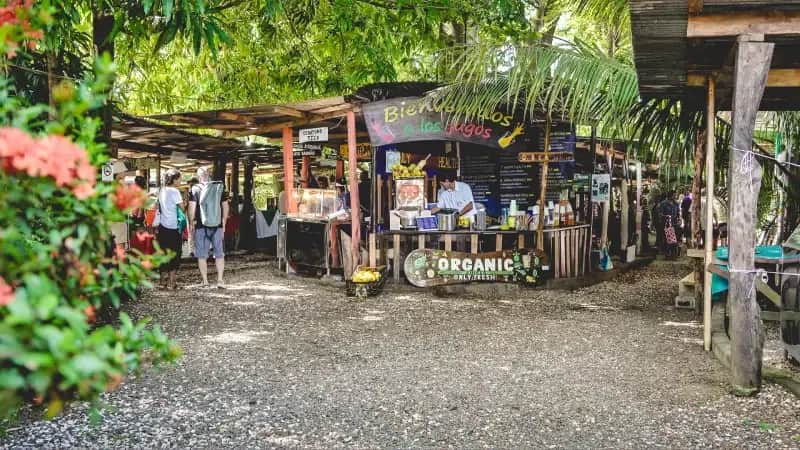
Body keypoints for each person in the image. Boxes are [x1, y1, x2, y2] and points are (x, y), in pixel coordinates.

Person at [189, 167, 230, 288]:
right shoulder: (219, 187)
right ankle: (220, 280)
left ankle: (205, 281)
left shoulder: (195, 189)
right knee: (219, 253)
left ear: (199, 176)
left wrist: (191, 223)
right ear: (209, 175)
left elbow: (192, 208)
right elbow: (225, 206)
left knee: (201, 254)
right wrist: (224, 223)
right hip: (216, 225)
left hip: (201, 226)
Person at [156, 169, 185, 290]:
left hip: (162, 227)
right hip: (173, 227)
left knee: (163, 253)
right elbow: (182, 208)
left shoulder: (162, 190)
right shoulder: (175, 191)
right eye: (179, 179)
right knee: (175, 254)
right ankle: (172, 283)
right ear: (174, 179)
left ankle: (162, 282)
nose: (180, 181)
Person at [657, 191, 680, 258]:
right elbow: (660, 214)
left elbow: (678, 213)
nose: (675, 197)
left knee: (674, 239)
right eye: (674, 195)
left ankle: (674, 254)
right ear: (670, 196)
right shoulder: (663, 204)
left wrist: (679, 219)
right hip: (666, 224)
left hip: (674, 224)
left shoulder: (676, 204)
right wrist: (666, 216)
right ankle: (667, 253)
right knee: (667, 239)